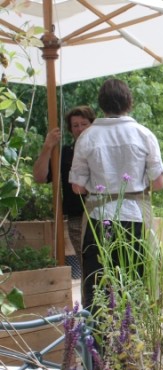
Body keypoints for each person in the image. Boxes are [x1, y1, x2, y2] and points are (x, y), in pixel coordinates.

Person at [69, 78, 163, 317]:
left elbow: (77, 188)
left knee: (96, 286)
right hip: (135, 220)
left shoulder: (87, 137)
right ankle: (134, 344)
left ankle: (98, 348)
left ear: (102, 104)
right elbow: (159, 183)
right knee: (135, 284)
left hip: (98, 219)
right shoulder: (144, 134)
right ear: (128, 102)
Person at [33, 106, 96, 260]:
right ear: (70, 129)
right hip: (77, 218)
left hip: (103, 215)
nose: (80, 129)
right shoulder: (65, 153)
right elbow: (39, 177)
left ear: (92, 125)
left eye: (84, 124)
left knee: (109, 264)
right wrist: (48, 146)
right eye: (75, 125)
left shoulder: (101, 149)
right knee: (87, 264)